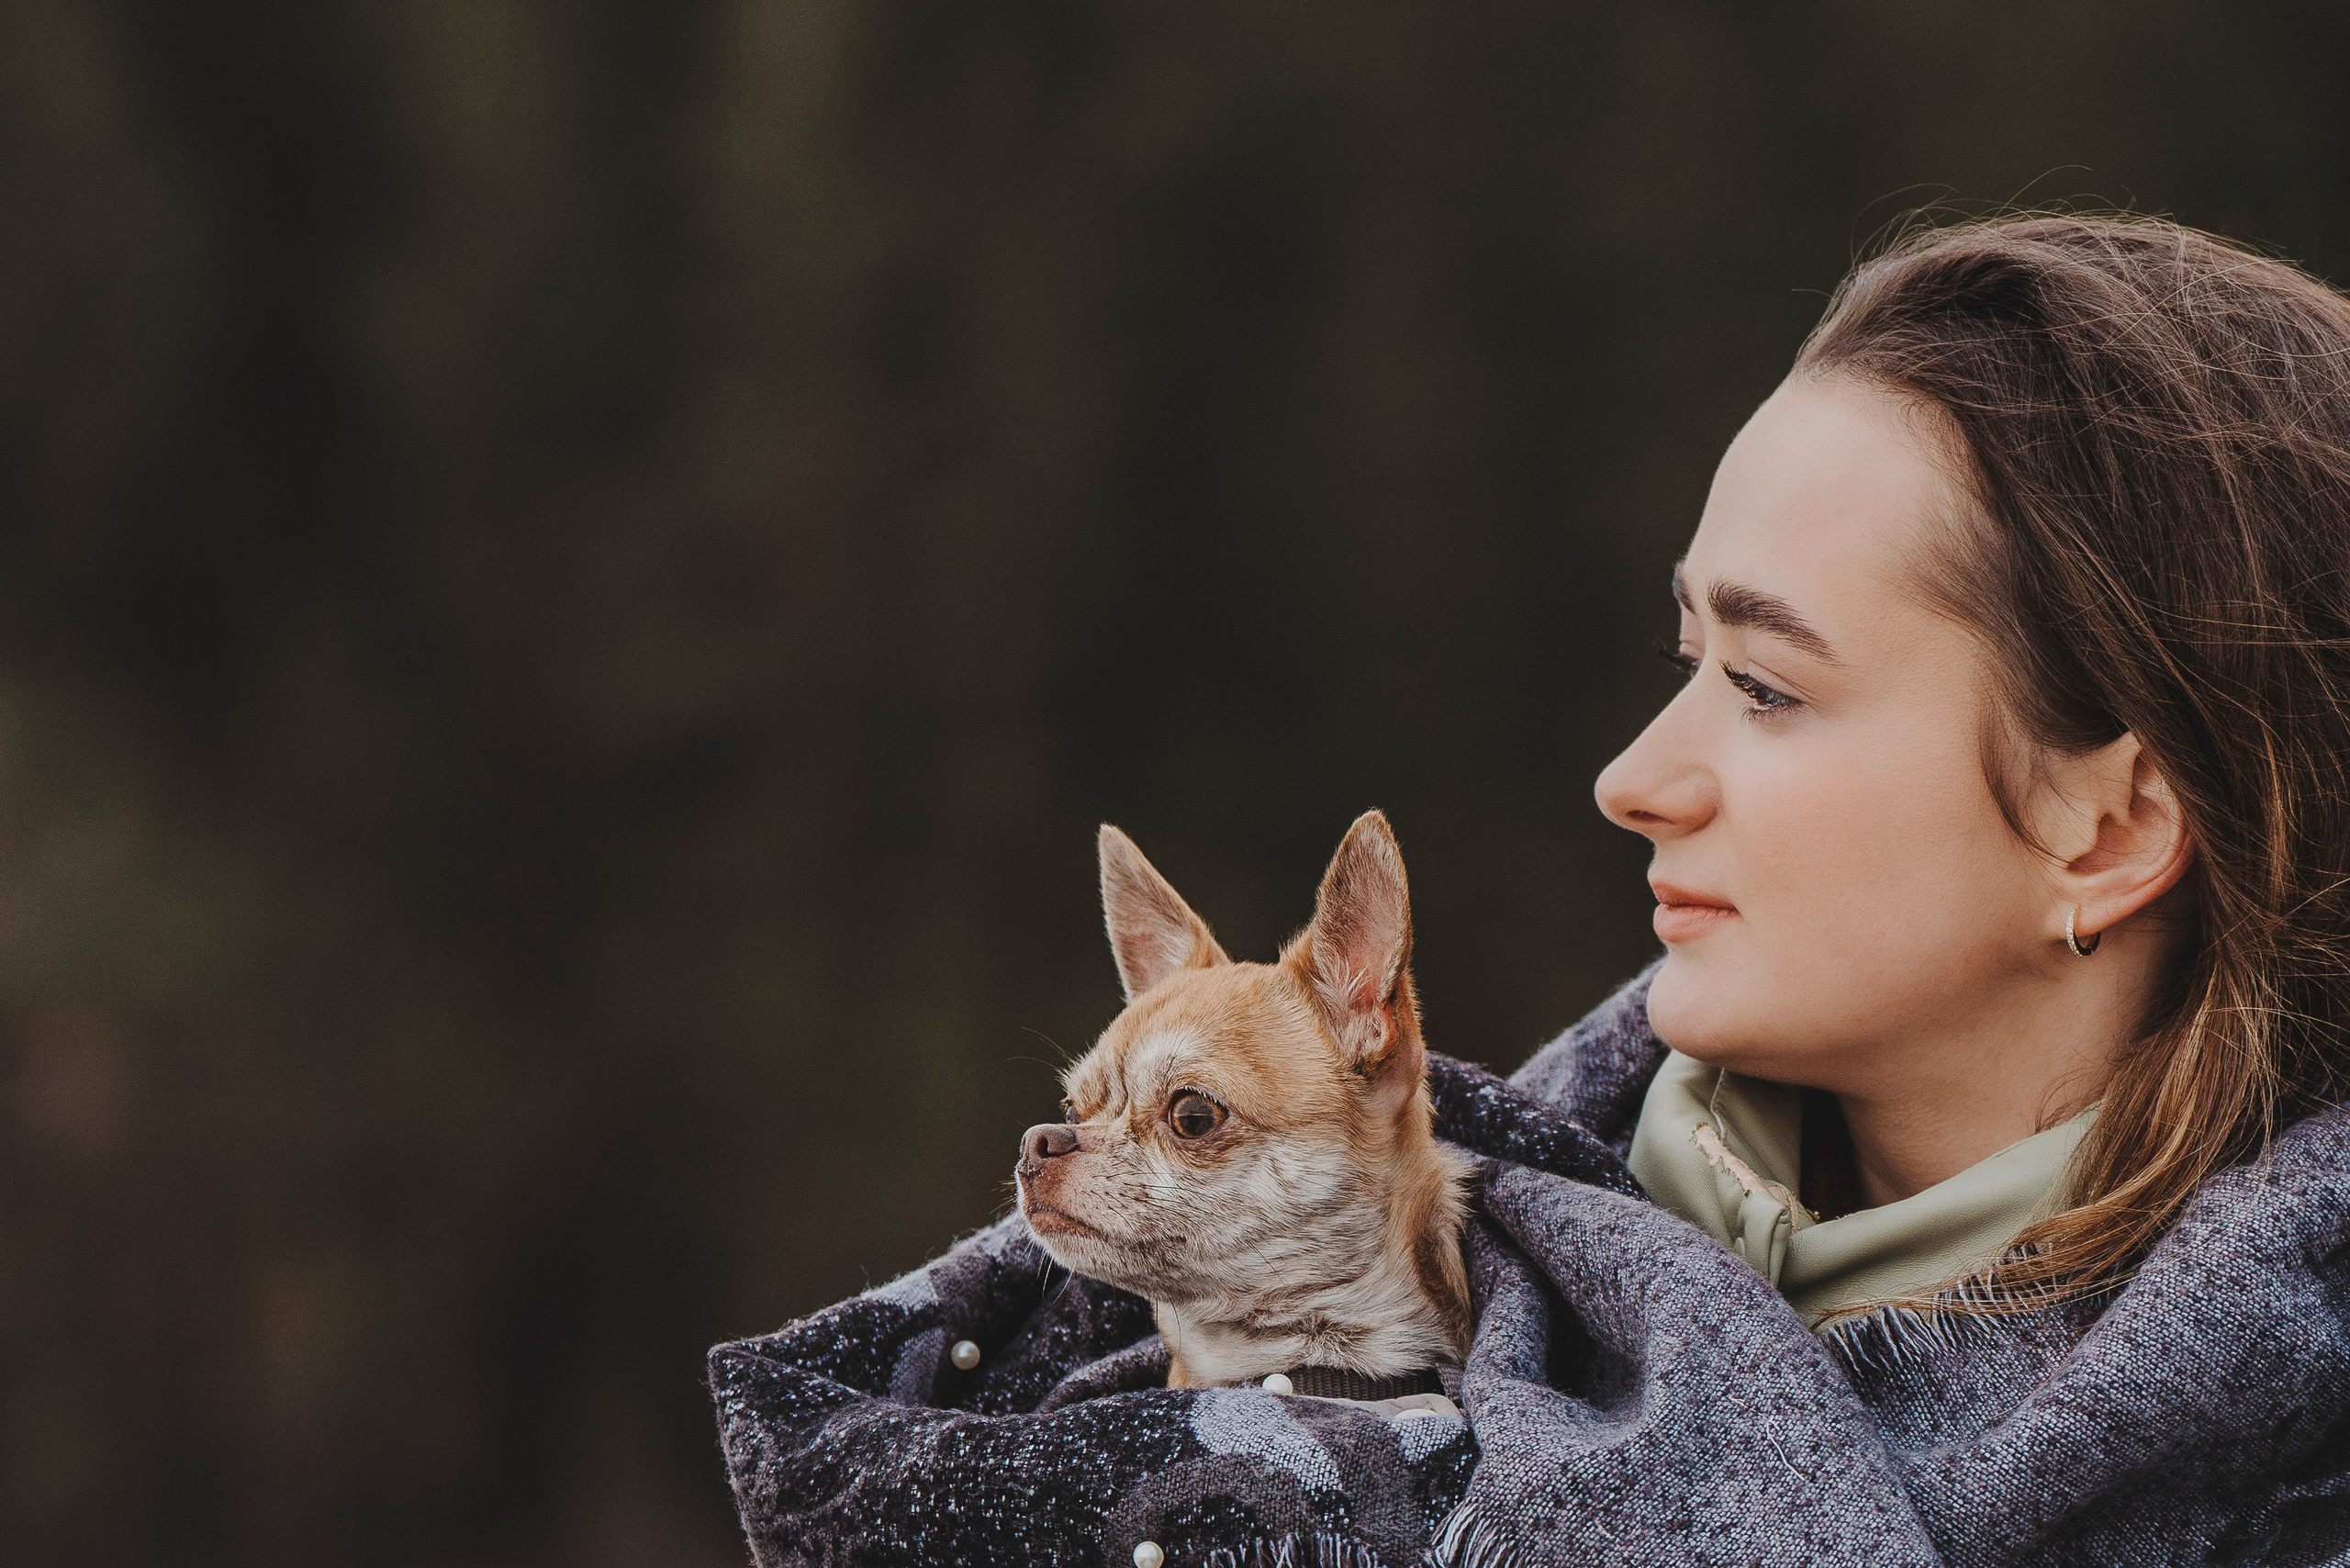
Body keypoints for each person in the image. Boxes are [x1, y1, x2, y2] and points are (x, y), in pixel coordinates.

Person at [711, 213, 2350, 1565]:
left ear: (2109, 828)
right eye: (1682, 656)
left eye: (1767, 688)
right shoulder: (1260, 1320)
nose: (1633, 777)